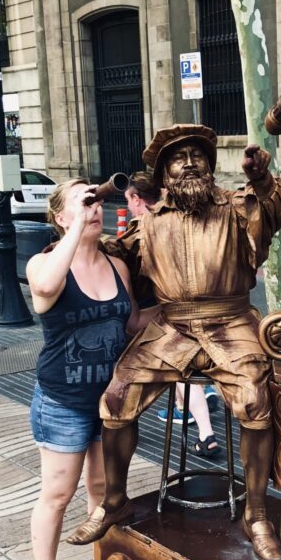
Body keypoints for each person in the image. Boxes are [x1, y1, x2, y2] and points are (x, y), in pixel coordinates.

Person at [67, 124, 281, 560]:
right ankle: (114, 500)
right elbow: (108, 256)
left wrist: (263, 178)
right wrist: (79, 223)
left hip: (231, 321)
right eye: (177, 157)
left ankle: (258, 513)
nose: (188, 162)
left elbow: (279, 208)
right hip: (171, 327)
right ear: (164, 173)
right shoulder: (149, 223)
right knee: (116, 399)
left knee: (254, 400)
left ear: (210, 165)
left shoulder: (237, 206)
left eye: (196, 155)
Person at [26, 178, 139, 560]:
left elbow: (130, 324)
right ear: (60, 217)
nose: (96, 209)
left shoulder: (117, 267)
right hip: (62, 401)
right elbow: (47, 289)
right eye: (83, 202)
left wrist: (186, 312)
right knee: (57, 493)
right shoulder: (42, 263)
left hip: (108, 402)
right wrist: (73, 232)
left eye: (98, 202)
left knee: (102, 490)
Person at [125, 170, 222, 458]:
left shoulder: (145, 228)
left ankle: (200, 425)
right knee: (182, 371)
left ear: (136, 198)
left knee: (174, 367)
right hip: (196, 315)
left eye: (129, 200)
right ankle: (191, 411)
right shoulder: (180, 222)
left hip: (164, 316)